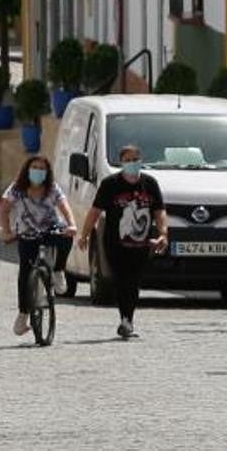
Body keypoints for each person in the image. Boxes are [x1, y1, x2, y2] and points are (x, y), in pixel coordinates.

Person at [77, 145, 169, 338]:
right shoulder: (110, 184)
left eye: (135, 159)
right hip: (115, 243)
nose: (132, 163)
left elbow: (159, 212)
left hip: (141, 244)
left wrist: (163, 234)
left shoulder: (150, 184)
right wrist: (84, 235)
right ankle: (125, 319)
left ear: (141, 161)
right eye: (127, 160)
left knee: (133, 282)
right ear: (121, 162)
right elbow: (95, 211)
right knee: (121, 279)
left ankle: (128, 319)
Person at [0, 156, 77, 336]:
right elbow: (4, 209)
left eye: (42, 169)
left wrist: (72, 225)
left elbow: (64, 205)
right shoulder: (17, 188)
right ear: (27, 170)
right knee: (25, 274)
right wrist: (6, 231)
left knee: (66, 237)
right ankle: (23, 315)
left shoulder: (52, 188)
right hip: (26, 234)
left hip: (50, 230)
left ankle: (58, 270)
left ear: (47, 173)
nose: (38, 171)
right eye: (34, 167)